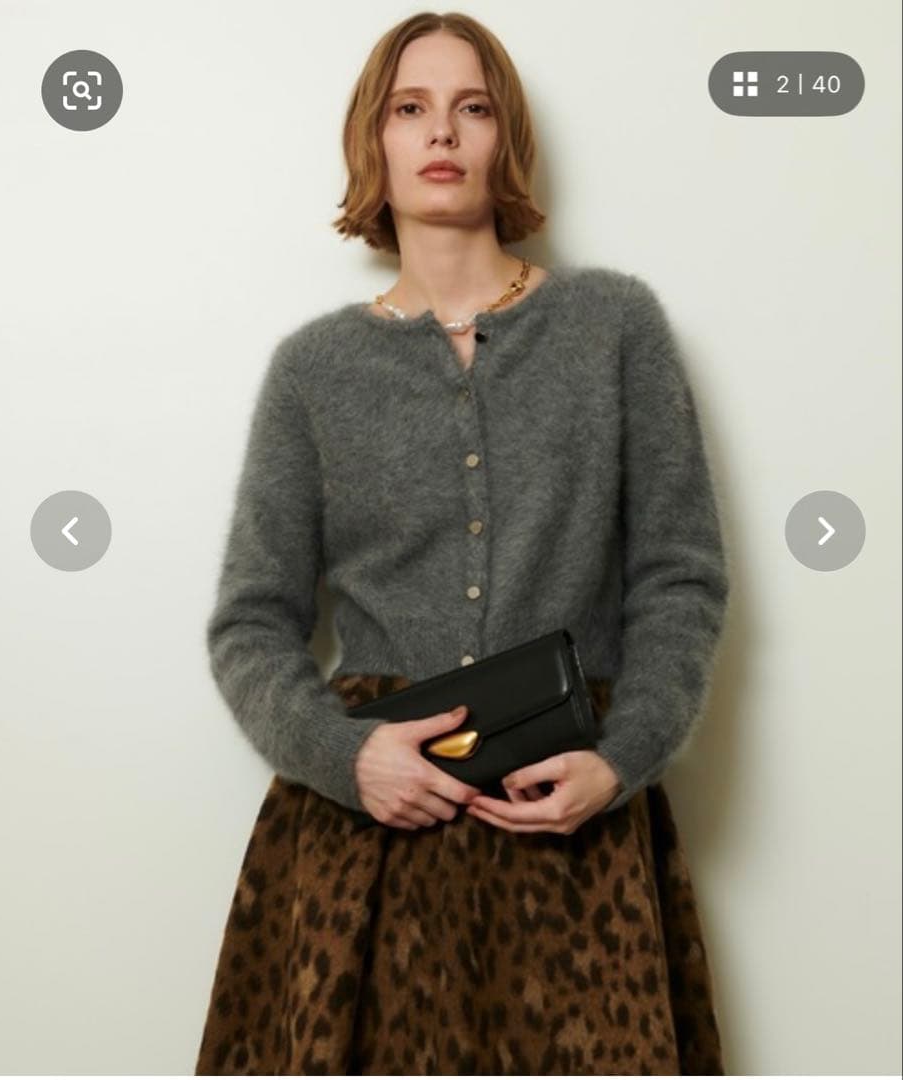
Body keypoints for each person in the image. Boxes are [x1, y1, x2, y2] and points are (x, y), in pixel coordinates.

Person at [195, 11, 730, 1076]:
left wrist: (621, 760)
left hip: (570, 818)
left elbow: (680, 577)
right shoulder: (313, 371)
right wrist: (348, 757)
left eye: (471, 107)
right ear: (375, 141)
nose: (441, 131)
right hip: (371, 834)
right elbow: (250, 623)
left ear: (504, 139)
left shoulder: (614, 327)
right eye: (410, 108)